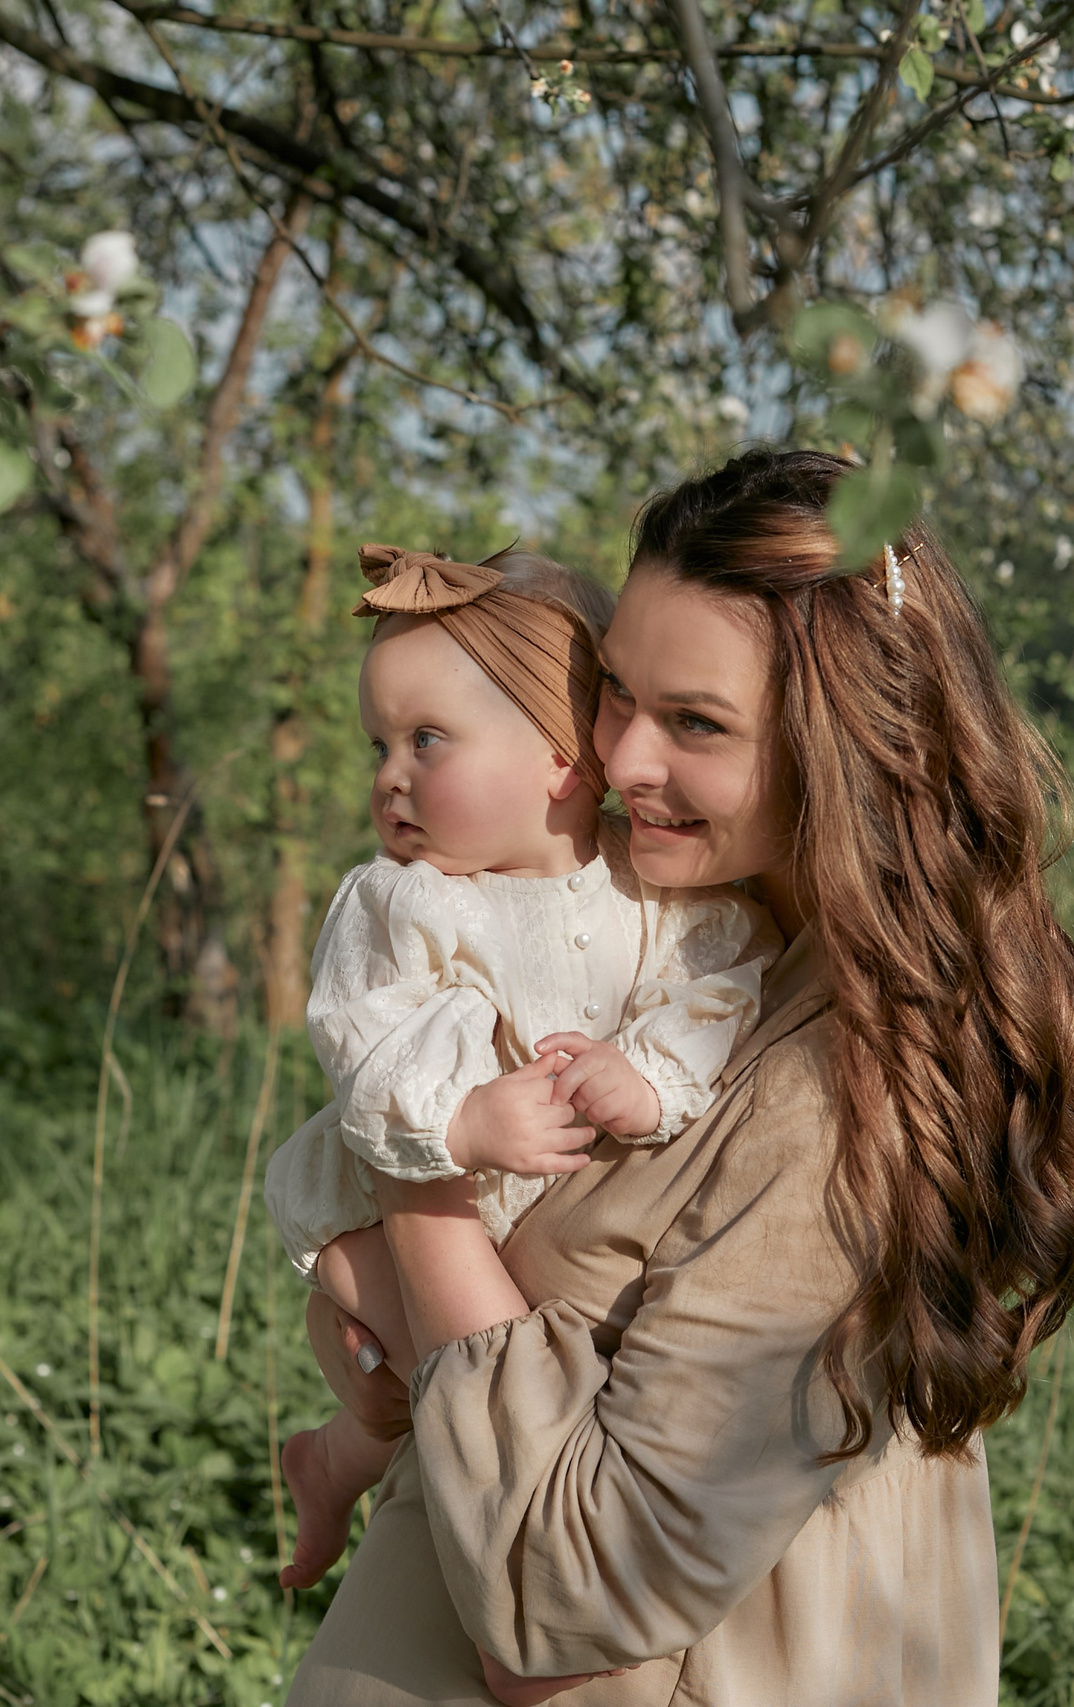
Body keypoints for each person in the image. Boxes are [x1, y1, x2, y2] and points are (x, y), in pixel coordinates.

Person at [283, 449, 1074, 1707]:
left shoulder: (838, 1095)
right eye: (615, 693)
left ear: (845, 748)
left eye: (696, 723)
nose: (620, 761)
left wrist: (419, 1167)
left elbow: (561, 1611)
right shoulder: (684, 941)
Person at [263, 542, 780, 1594]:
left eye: (427, 739)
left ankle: (330, 1465)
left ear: (558, 752)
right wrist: (457, 1127)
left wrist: (648, 1072)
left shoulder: (657, 899)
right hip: (379, 1215)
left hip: (537, 1248)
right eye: (380, 745)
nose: (389, 776)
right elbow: (364, 1046)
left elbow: (720, 985)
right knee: (472, 1408)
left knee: (450, 1398)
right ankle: (505, 1588)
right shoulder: (401, 902)